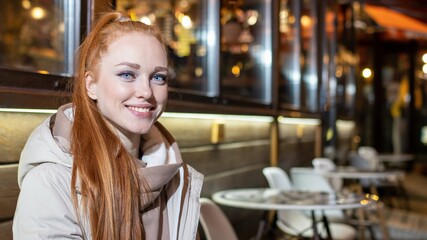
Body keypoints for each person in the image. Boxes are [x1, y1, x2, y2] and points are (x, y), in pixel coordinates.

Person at [13, 11, 203, 240]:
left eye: (158, 77)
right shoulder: (51, 180)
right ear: (91, 85)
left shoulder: (175, 174)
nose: (146, 91)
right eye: (127, 74)